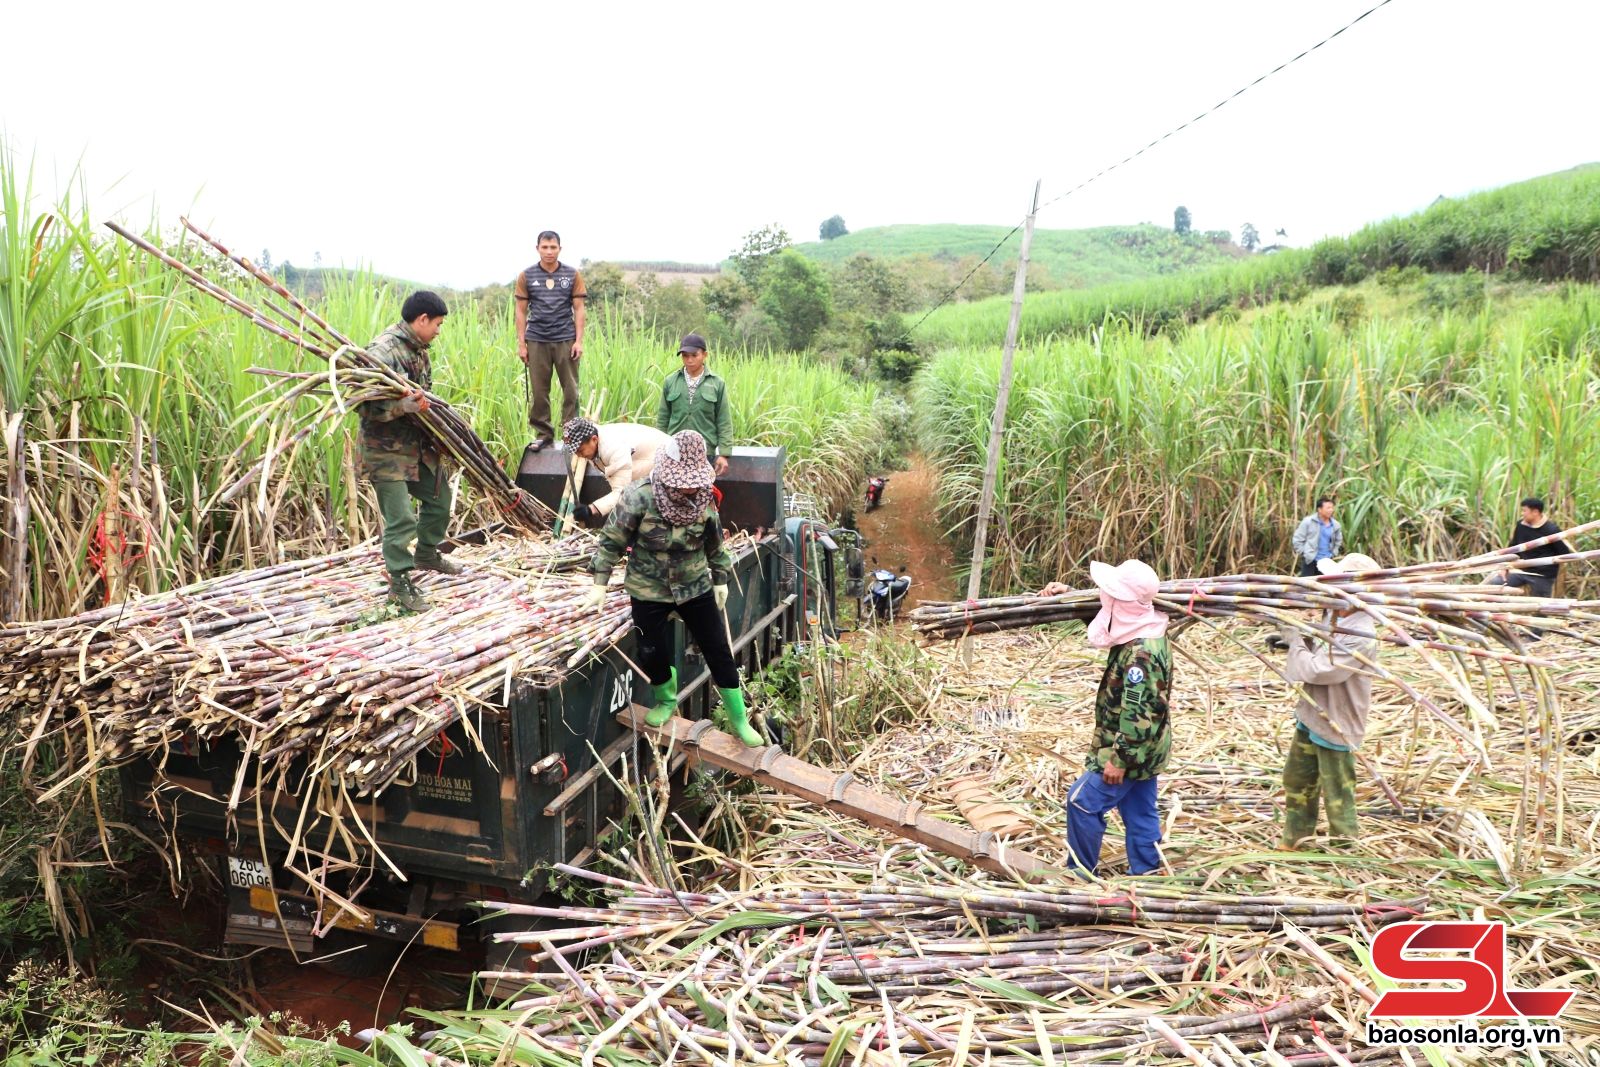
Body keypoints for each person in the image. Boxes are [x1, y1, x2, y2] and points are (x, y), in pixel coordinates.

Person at [581, 430, 763, 746]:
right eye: (683, 483)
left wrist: (720, 580)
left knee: (717, 649)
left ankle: (738, 719)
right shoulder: (639, 497)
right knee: (651, 650)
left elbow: (716, 545)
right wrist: (599, 582)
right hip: (648, 587)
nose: (688, 489)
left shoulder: (705, 499)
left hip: (694, 585)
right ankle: (666, 699)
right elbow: (611, 541)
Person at [1041, 560, 1173, 877]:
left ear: (1123, 602)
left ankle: (1080, 875)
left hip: (1129, 748)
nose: (1106, 598)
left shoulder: (1140, 654)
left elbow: (1139, 715)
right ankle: (1148, 872)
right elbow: (1110, 617)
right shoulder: (1146, 625)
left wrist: (1119, 759)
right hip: (1150, 749)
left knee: (1082, 802)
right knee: (1140, 810)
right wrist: (1069, 594)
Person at [360, 291, 462, 612]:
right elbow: (361, 401)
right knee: (401, 519)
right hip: (386, 451)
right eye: (437, 324)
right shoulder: (383, 351)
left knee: (440, 501)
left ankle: (427, 554)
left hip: (417, 446)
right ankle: (400, 582)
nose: (438, 331)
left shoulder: (419, 351)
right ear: (421, 320)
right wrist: (400, 406)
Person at [1278, 553, 1381, 849]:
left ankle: (1344, 850)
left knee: (1338, 791)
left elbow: (1319, 669)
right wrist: (1295, 640)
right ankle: (1296, 839)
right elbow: (1319, 647)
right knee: (1297, 778)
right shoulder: (1335, 613)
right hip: (1313, 713)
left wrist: (1296, 641)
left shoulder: (1361, 633)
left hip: (1337, 719)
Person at [514, 231, 587, 451]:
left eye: (553, 247)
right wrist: (521, 344)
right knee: (539, 391)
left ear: (559, 249)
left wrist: (579, 341)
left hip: (565, 338)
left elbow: (579, 308)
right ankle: (543, 434)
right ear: (537, 248)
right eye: (544, 247)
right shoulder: (527, 276)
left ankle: (570, 434)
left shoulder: (572, 275)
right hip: (537, 339)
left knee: (571, 390)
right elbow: (520, 311)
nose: (549, 251)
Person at [561, 417, 671, 527]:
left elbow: (622, 492)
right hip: (648, 462)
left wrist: (591, 509)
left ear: (594, 439)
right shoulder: (594, 445)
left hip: (667, 462)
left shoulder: (613, 448)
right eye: (575, 452)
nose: (578, 455)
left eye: (580, 450)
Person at [655, 333, 733, 477]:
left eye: (694, 355)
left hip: (704, 453)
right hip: (674, 451)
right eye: (685, 356)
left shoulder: (716, 384)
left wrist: (724, 454)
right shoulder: (671, 382)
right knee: (673, 492)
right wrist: (658, 448)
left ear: (704, 355)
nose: (689, 360)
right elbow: (663, 418)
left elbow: (724, 421)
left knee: (701, 494)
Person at [1485, 497, 1573, 598]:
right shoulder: (1521, 525)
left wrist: (1546, 566)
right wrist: (1504, 567)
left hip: (1543, 575)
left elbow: (1564, 553)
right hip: (1521, 570)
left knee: (1541, 606)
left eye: (1524, 510)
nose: (1522, 513)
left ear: (1535, 512)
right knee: (1493, 585)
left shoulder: (1551, 530)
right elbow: (1513, 547)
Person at [1291, 497, 1342, 577]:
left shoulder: (1335, 525)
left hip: (1327, 561)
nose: (1331, 510)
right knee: (1307, 585)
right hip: (1310, 560)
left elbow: (1338, 540)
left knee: (1325, 585)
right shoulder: (1308, 522)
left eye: (1332, 508)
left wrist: (1334, 553)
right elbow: (1297, 539)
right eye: (1328, 508)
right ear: (1319, 509)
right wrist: (1305, 553)